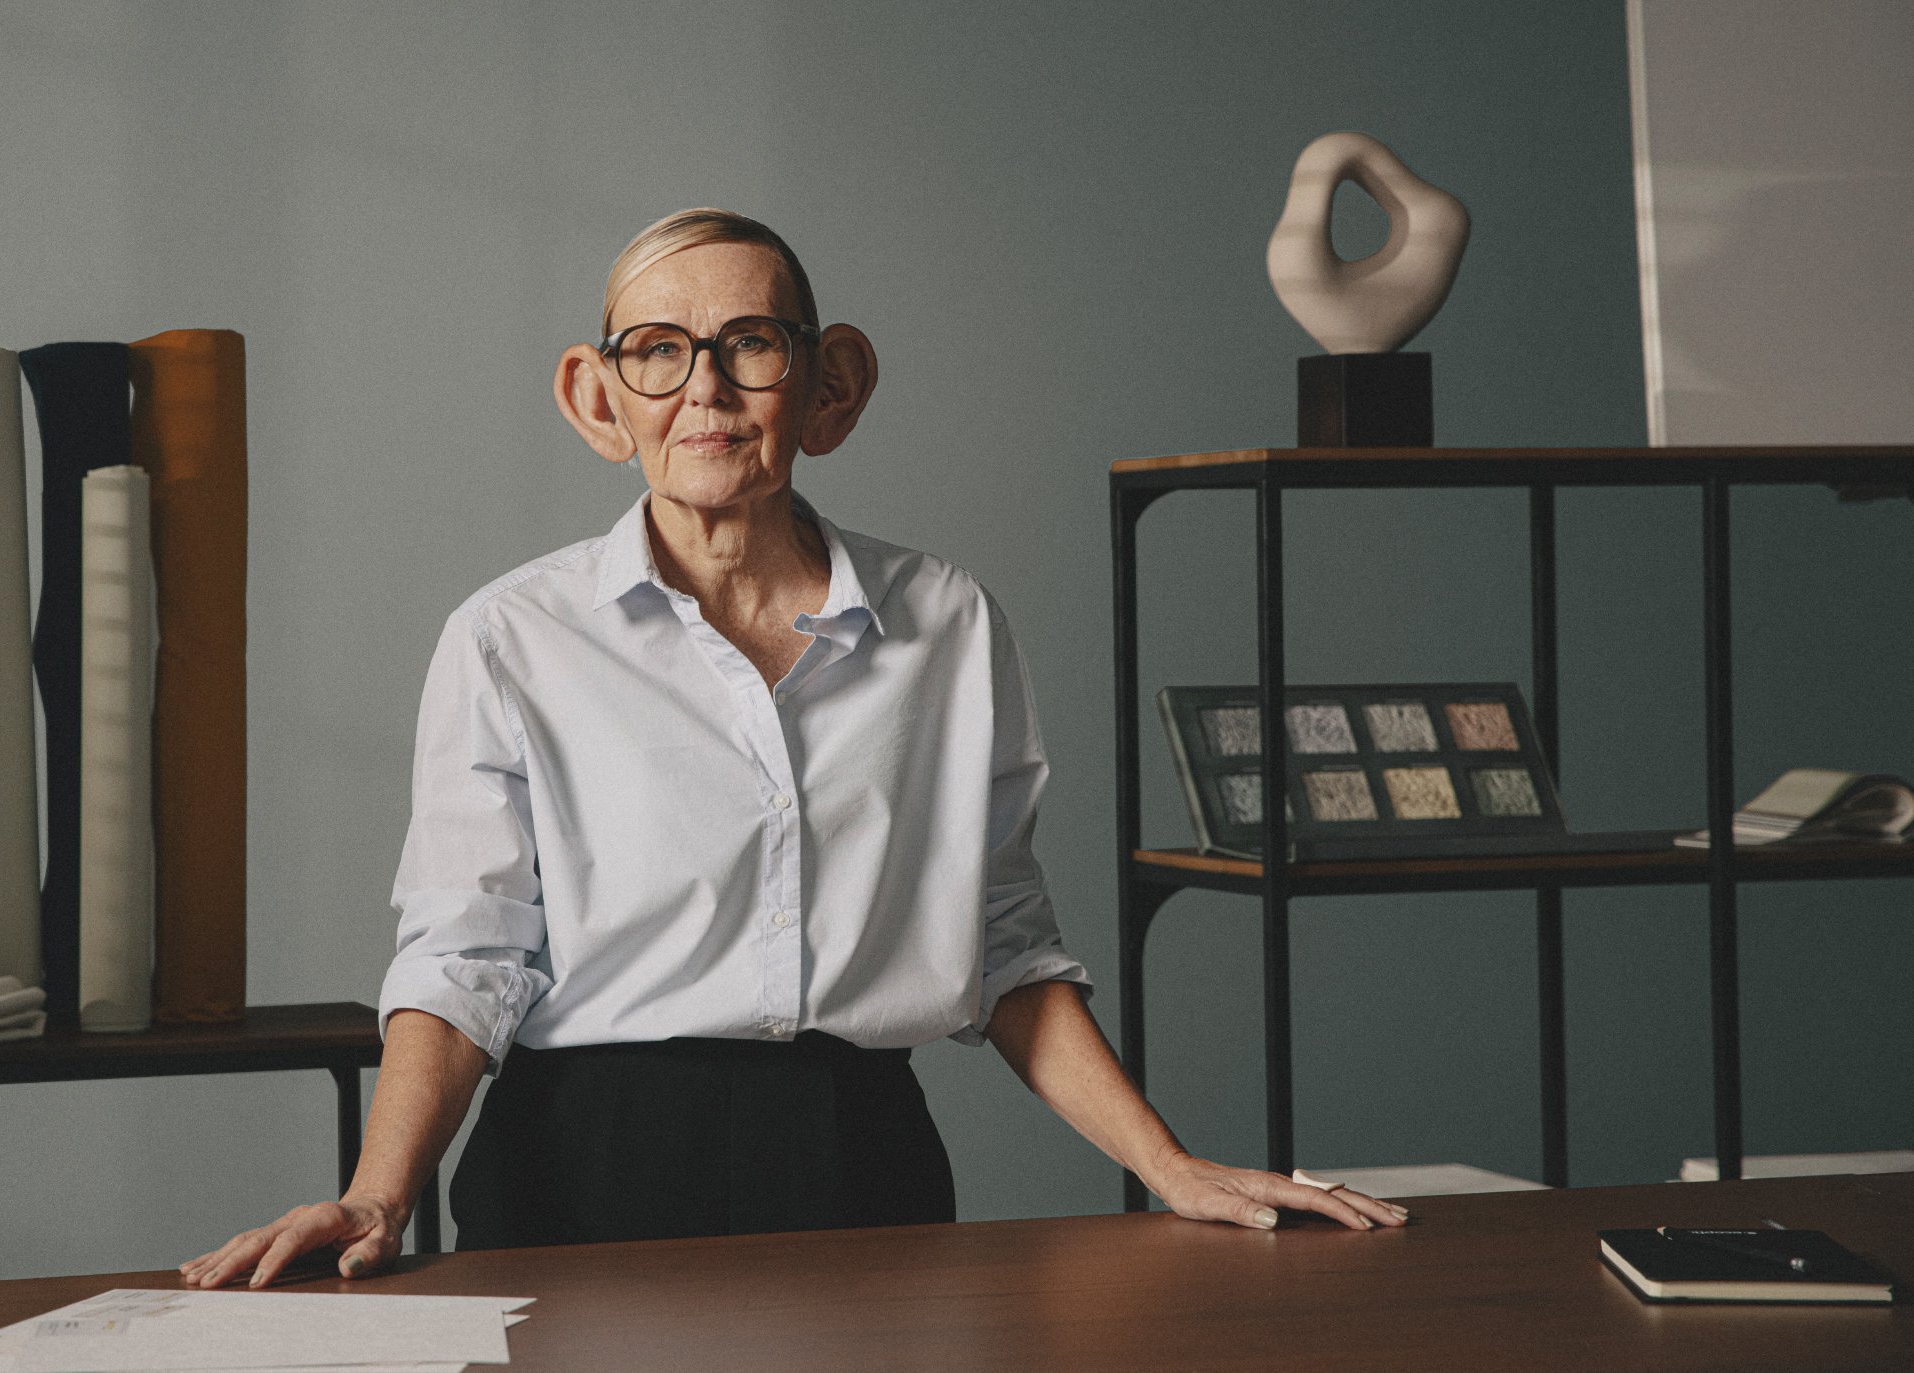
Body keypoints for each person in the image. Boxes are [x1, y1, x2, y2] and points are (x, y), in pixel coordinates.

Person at [182, 209, 1404, 1289]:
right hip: (581, 1167)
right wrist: (380, 1191)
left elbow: (1005, 944)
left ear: (830, 386)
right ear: (596, 398)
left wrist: (1168, 1164)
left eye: (749, 344)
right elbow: (463, 958)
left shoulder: (947, 623)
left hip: (858, 1154)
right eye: (657, 351)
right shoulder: (510, 637)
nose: (703, 390)